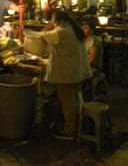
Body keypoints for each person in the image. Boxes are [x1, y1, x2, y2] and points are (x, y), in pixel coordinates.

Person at [38, 10, 91, 140]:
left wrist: (49, 26)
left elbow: (41, 35)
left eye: (53, 20)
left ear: (58, 21)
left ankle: (69, 132)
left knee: (67, 103)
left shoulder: (60, 32)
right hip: (77, 71)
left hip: (68, 73)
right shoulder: (73, 29)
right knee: (76, 100)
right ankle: (77, 127)